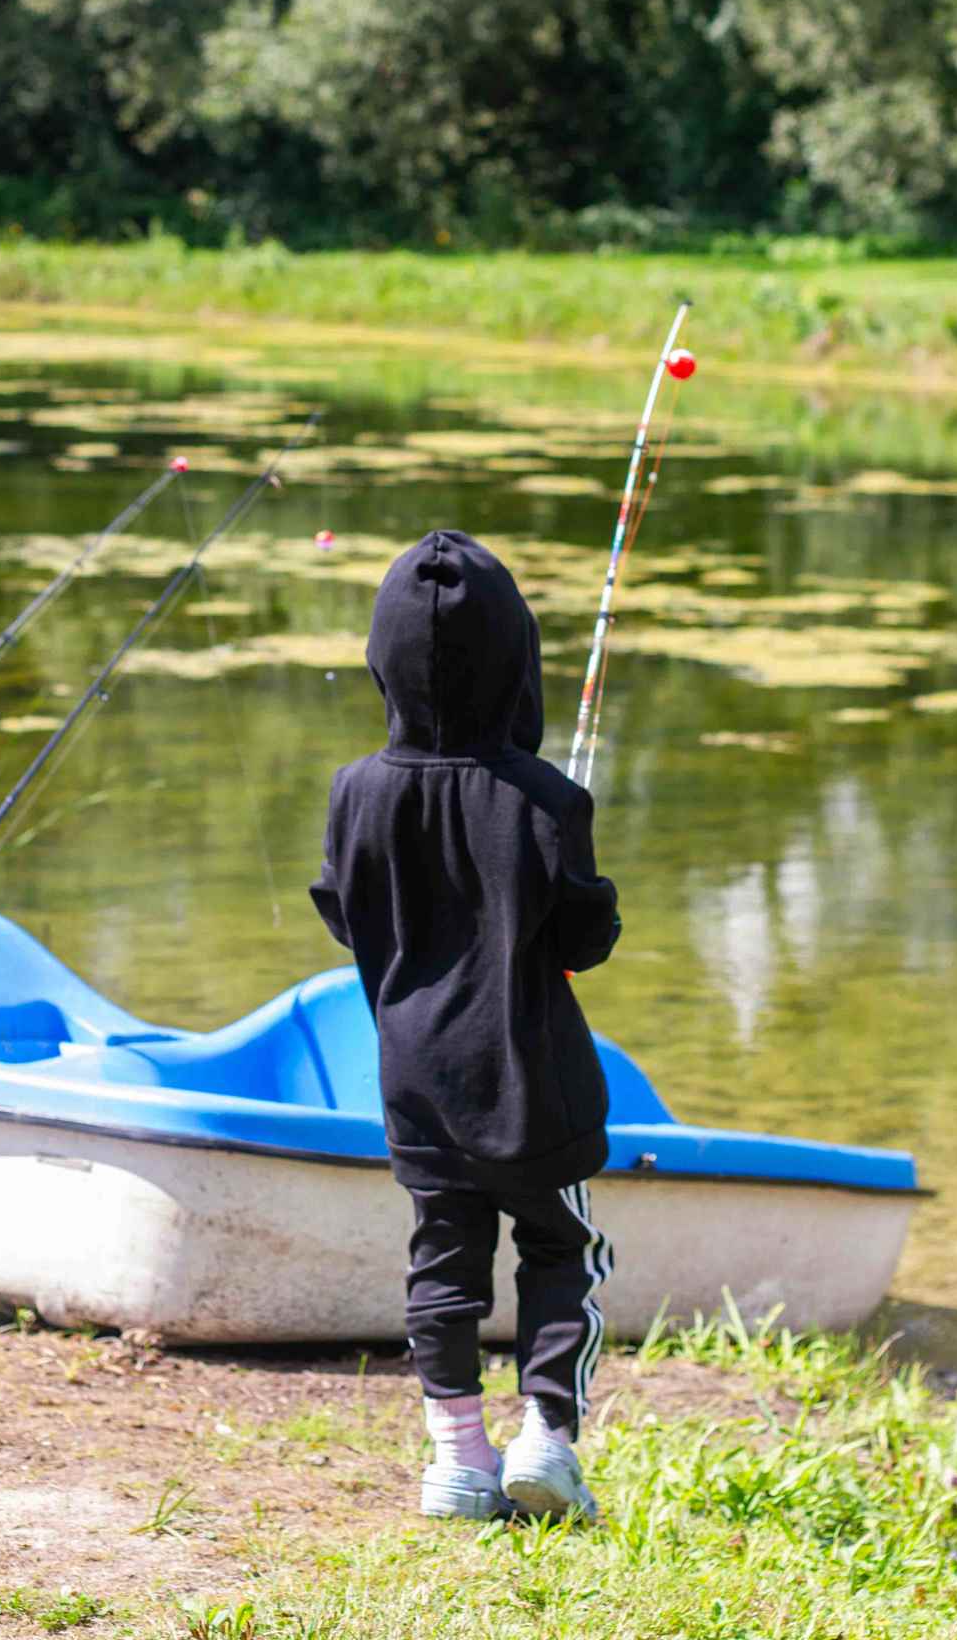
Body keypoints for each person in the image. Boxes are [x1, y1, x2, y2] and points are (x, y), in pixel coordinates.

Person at [310, 529, 621, 1522]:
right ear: (518, 667)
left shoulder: (353, 793)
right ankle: (546, 1439)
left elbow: (340, 909)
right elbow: (586, 933)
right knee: (560, 1247)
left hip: (415, 1081)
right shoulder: (546, 799)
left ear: (380, 662)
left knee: (442, 1256)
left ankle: (456, 1459)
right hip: (537, 1084)